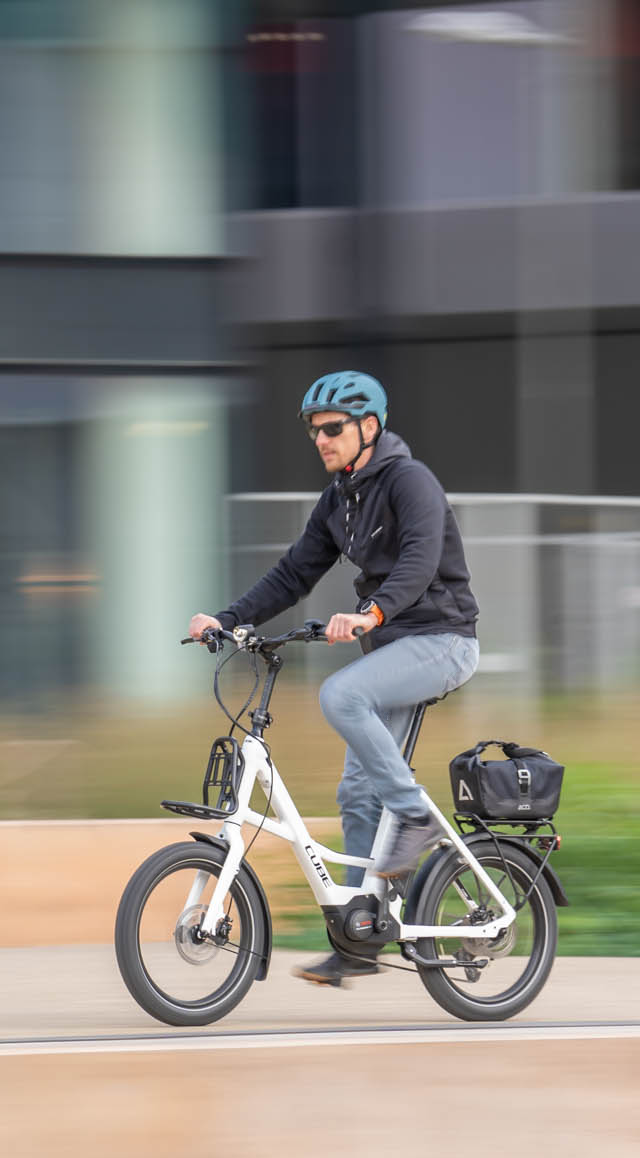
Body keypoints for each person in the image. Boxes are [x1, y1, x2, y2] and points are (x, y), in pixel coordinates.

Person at [186, 370, 480, 987]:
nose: (321, 439)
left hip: (442, 641)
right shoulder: (339, 499)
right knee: (354, 793)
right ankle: (359, 935)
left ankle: (416, 817)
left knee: (341, 695)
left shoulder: (410, 482)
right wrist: (229, 619)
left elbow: (421, 561)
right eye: (314, 431)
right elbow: (295, 573)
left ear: (369, 427)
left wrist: (372, 613)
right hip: (394, 650)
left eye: (333, 428)